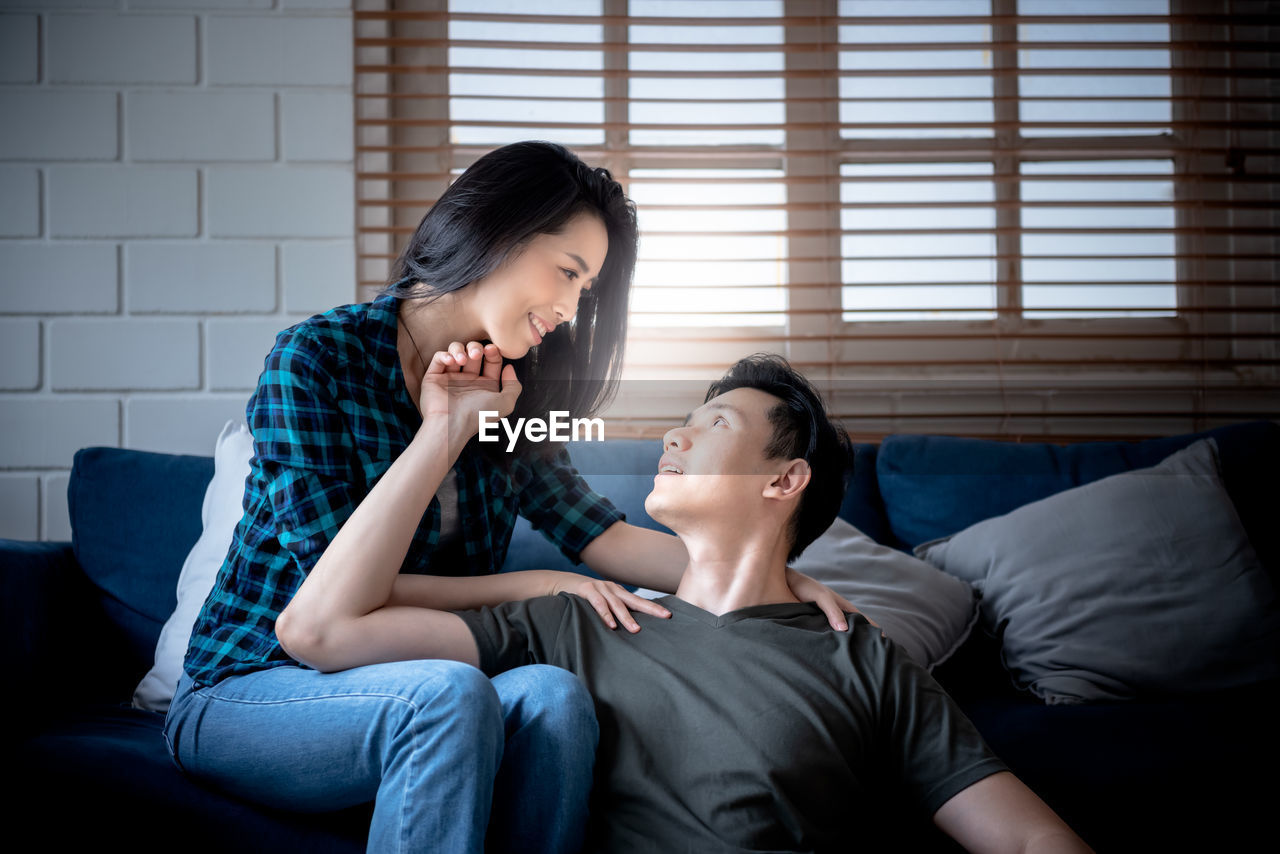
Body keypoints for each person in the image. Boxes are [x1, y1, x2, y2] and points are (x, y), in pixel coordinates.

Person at [163, 141, 856, 854]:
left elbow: (604, 539)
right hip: (257, 684)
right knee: (449, 694)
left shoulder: (517, 389)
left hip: (415, 680)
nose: (568, 308)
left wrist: (771, 579)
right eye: (566, 273)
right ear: (495, 231)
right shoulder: (317, 360)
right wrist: (452, 439)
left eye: (585, 290)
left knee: (555, 697)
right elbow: (338, 598)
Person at [278, 352, 1096, 853]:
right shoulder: (576, 621)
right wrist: (526, 563)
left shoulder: (861, 654)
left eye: (711, 426)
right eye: (680, 423)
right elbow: (326, 628)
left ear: (783, 480)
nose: (672, 438)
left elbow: (1026, 835)